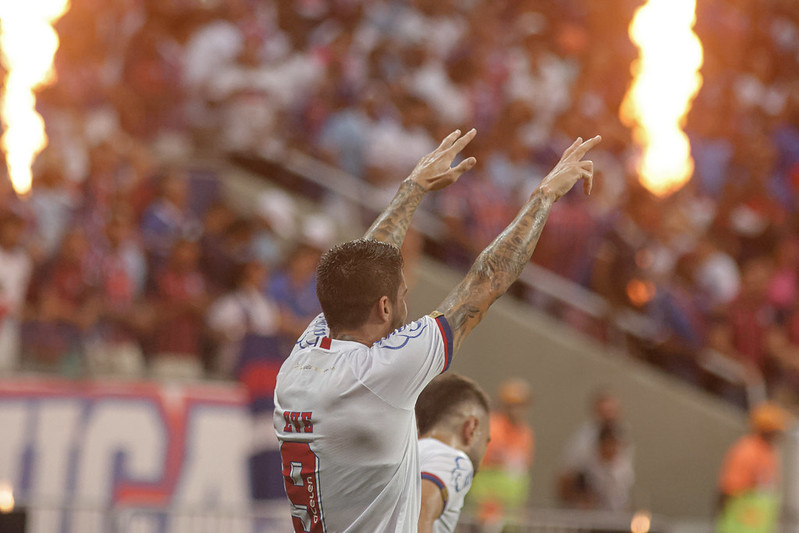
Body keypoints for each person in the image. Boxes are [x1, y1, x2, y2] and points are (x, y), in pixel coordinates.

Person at [273, 128, 600, 532]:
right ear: (384, 306)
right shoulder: (381, 375)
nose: (407, 304)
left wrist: (412, 189)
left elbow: (360, 268)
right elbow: (485, 283)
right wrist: (545, 195)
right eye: (403, 294)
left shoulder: (303, 357)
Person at [415, 373, 491, 533]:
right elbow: (422, 508)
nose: (485, 449)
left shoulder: (407, 456)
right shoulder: (453, 460)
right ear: (471, 428)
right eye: (486, 440)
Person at [468, 378, 535, 529]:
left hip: (512, 510)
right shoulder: (492, 426)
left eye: (521, 405)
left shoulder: (525, 432)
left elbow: (522, 471)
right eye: (512, 405)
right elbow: (482, 463)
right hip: (487, 509)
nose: (517, 410)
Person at [716, 402, 791, 533]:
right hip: (741, 519)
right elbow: (730, 486)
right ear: (767, 429)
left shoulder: (768, 451)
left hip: (757, 521)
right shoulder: (748, 450)